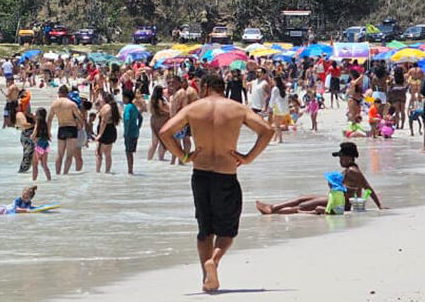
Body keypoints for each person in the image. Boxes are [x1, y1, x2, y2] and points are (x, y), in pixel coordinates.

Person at [158, 73, 275, 293]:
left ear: (204, 87)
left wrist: (184, 156)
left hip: (200, 173)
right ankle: (215, 260)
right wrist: (248, 157)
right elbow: (267, 130)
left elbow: (165, 132)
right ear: (223, 87)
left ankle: (206, 277)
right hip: (226, 173)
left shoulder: (194, 109)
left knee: (205, 230)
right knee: (227, 231)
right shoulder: (237, 108)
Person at [255, 142, 384, 215]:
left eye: (342, 157)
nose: (340, 160)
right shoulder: (350, 169)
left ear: (350, 157)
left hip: (341, 206)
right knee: (302, 198)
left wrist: (380, 206)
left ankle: (272, 210)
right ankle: (272, 207)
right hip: (336, 201)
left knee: (303, 205)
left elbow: (367, 187)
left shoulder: (353, 171)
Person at [47, 85, 83, 175]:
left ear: (59, 93)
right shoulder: (71, 104)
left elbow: (49, 119)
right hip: (71, 128)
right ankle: (65, 174)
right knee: (69, 155)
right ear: (67, 93)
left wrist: (48, 131)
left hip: (61, 128)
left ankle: (58, 174)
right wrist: (80, 125)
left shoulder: (54, 104)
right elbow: (80, 116)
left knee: (59, 154)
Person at [95, 92, 119, 174]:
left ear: (104, 98)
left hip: (105, 132)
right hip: (111, 130)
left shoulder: (106, 108)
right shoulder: (111, 106)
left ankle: (98, 172)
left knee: (98, 154)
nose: (99, 99)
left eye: (100, 97)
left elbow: (103, 122)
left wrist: (100, 135)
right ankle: (107, 171)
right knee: (108, 154)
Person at [123, 91, 143, 175]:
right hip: (135, 132)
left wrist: (126, 132)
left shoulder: (128, 107)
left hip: (130, 133)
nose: (123, 99)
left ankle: (130, 170)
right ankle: (130, 170)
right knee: (130, 152)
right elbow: (140, 118)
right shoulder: (134, 107)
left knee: (128, 152)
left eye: (124, 97)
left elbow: (127, 119)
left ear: (127, 98)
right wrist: (138, 127)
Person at [148, 85, 169, 161]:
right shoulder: (160, 100)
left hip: (153, 120)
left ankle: (149, 159)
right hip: (161, 121)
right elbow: (162, 110)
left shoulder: (151, 100)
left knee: (154, 142)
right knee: (162, 141)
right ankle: (161, 158)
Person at [31, 108, 51, 182]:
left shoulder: (37, 123)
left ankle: (34, 180)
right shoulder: (46, 124)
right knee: (44, 165)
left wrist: (31, 137)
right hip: (46, 145)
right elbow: (49, 135)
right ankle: (49, 179)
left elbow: (33, 135)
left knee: (35, 165)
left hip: (39, 146)